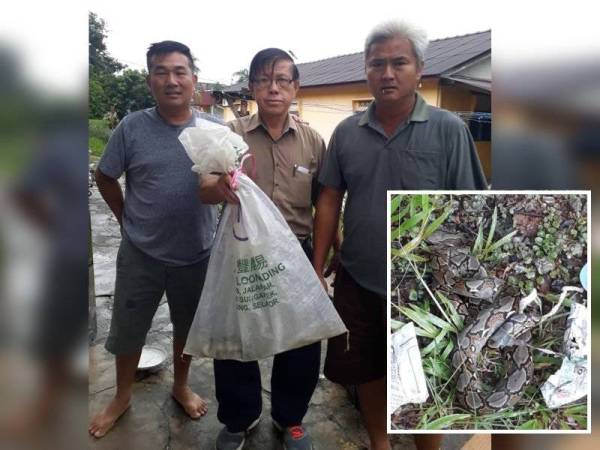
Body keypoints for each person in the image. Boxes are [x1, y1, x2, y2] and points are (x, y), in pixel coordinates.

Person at [312, 20, 487, 450]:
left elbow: (471, 209)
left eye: (398, 63)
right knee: (367, 370)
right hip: (359, 276)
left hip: (425, 287)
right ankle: (379, 442)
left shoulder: (448, 130)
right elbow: (330, 198)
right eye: (377, 64)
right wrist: (316, 267)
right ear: (366, 71)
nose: (387, 73)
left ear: (419, 70)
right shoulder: (347, 133)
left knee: (424, 377)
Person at [88, 40, 222, 438]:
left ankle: (181, 386)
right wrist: (125, 218)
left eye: (180, 72)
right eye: (161, 72)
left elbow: (233, 181)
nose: (171, 80)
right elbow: (105, 176)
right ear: (150, 82)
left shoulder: (215, 132)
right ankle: (122, 395)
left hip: (196, 253)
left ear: (194, 80)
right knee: (129, 328)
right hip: (141, 252)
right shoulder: (132, 127)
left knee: (187, 330)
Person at [199, 48, 327, 450]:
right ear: (252, 86)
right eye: (264, 80)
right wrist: (220, 187)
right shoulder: (230, 136)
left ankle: (290, 418)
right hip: (243, 256)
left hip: (297, 255)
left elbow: (325, 201)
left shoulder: (313, 141)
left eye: (283, 80)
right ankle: (239, 418)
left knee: (302, 340)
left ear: (295, 88)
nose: (273, 88)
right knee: (237, 340)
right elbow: (203, 188)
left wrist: (325, 263)